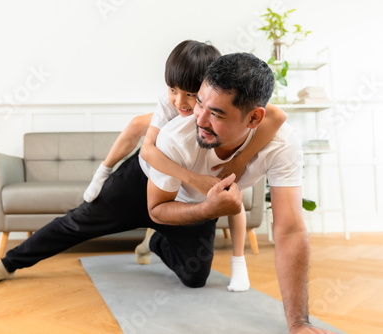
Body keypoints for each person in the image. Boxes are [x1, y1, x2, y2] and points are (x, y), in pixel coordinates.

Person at [140, 52, 332, 334]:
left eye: (216, 113)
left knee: (195, 276)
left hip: (193, 200)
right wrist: (209, 208)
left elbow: (289, 229)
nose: (200, 120)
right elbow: (156, 208)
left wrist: (299, 323)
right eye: (200, 104)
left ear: (254, 118)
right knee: (81, 221)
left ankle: (155, 242)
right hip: (144, 179)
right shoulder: (173, 137)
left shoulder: (281, 141)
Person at [83, 40, 287, 292]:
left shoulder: (212, 108)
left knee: (233, 197)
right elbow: (147, 151)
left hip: (203, 158)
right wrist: (192, 178)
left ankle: (238, 261)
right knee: (138, 124)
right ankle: (103, 170)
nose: (181, 102)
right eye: (173, 90)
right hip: (164, 170)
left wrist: (240, 160)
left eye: (191, 95)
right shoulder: (173, 108)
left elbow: (277, 115)